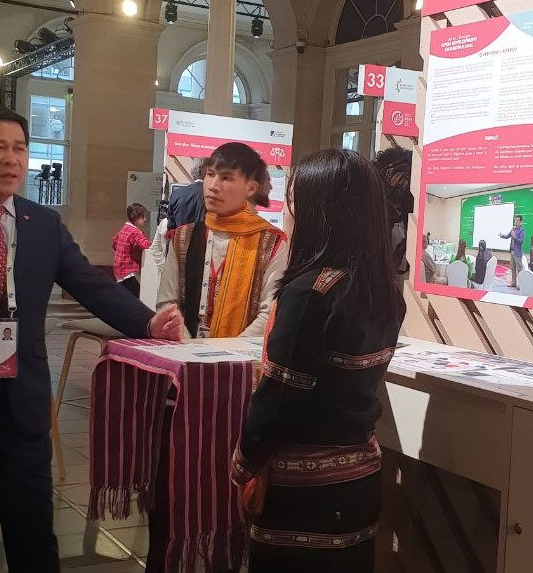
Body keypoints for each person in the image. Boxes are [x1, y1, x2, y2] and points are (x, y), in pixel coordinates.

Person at [0, 104, 184, 573]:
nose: (12, 159)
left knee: (33, 528)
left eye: (20, 148)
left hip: (22, 396)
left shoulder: (41, 223)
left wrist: (147, 323)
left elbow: (90, 283)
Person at [231, 148, 406, 573]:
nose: (286, 212)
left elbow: (277, 401)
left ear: (317, 212)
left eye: (292, 200)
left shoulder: (311, 293)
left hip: (303, 494)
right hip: (360, 481)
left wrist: (243, 464)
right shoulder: (382, 291)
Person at [157, 142, 287, 339]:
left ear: (251, 187)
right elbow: (167, 302)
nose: (213, 186)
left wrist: (225, 352)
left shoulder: (272, 242)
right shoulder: (184, 237)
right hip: (184, 350)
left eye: (226, 178)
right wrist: (188, 344)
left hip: (243, 355)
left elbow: (269, 313)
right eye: (210, 174)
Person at [372, 147, 414, 275]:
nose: (406, 182)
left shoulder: (403, 207)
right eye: (403, 175)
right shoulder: (373, 207)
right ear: (387, 173)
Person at [112, 202, 151, 297]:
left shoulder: (125, 228)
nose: (145, 219)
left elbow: (114, 242)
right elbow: (145, 244)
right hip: (129, 270)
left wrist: (123, 252)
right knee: (136, 297)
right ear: (137, 217)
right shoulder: (135, 232)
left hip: (118, 269)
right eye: (143, 217)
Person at [165, 157, 209, 231]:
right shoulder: (212, 195)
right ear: (202, 171)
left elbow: (171, 226)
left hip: (181, 237)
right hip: (204, 237)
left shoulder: (176, 194)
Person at [500, 214, 525, 288]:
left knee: (519, 269)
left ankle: (521, 284)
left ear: (520, 222)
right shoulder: (513, 229)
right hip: (512, 252)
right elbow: (507, 236)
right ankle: (514, 283)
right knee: (513, 268)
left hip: (517, 253)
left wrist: (514, 237)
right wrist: (502, 235)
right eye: (515, 220)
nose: (516, 222)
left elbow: (521, 241)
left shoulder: (522, 230)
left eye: (517, 220)